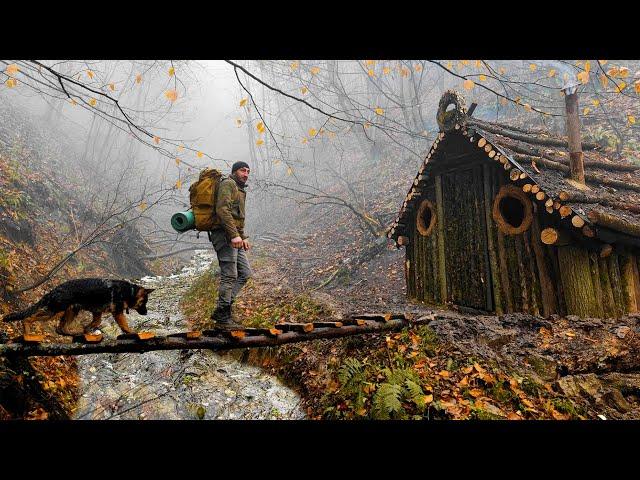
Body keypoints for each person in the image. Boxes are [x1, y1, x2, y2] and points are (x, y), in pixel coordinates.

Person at [209, 161, 252, 329]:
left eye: (248, 171)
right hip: (224, 236)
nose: (246, 173)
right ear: (235, 171)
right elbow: (222, 210)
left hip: (235, 237)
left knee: (245, 273)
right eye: (243, 170)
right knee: (229, 275)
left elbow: (237, 217)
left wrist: (243, 236)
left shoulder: (240, 190)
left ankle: (222, 309)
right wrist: (234, 235)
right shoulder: (228, 184)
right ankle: (223, 317)